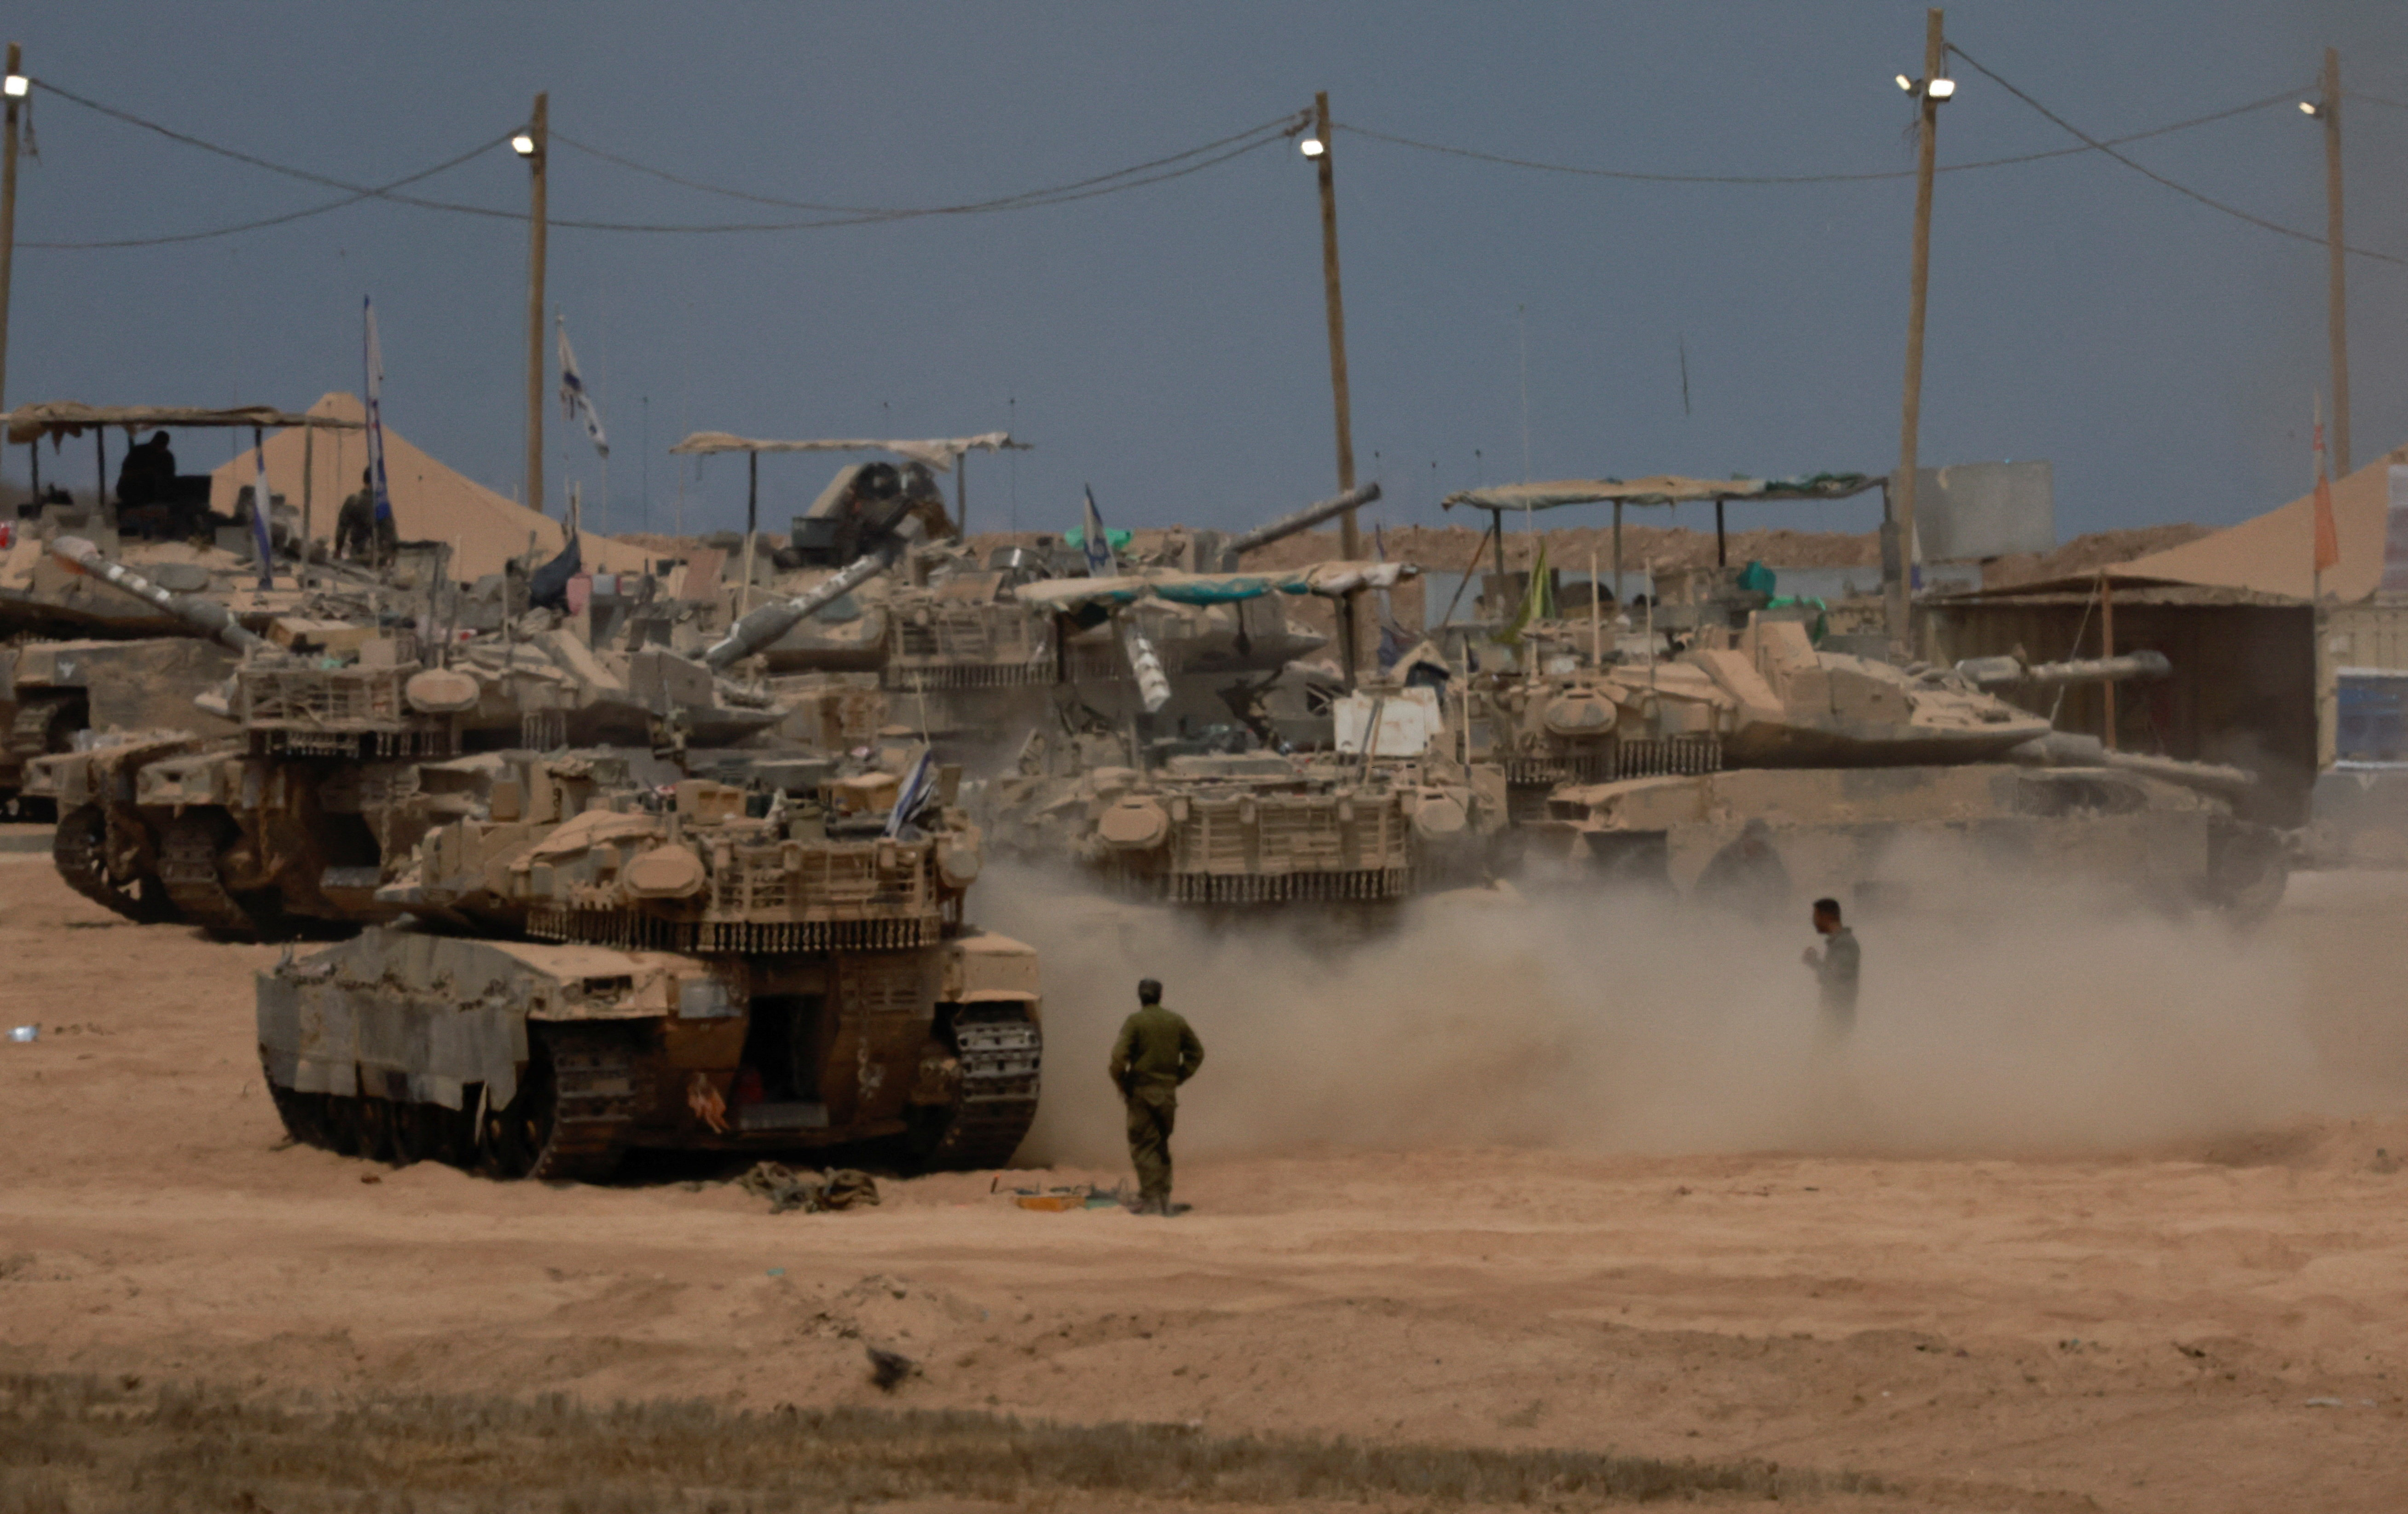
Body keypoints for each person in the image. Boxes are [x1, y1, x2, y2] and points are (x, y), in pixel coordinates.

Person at [1108, 977, 1204, 1216]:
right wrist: (1178, 1077)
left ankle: (1152, 1201)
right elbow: (1197, 1053)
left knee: (1143, 1146)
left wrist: (1121, 1083)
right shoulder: (1176, 1021)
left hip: (1141, 1092)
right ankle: (1163, 1198)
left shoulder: (1136, 1022)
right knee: (1160, 1144)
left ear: (1141, 997)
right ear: (1160, 996)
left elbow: (1119, 1058)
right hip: (1167, 1093)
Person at [1695, 818, 1792, 922]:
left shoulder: (1770, 856)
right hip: (1727, 915)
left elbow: (1783, 885)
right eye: (1755, 841)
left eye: (1762, 843)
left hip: (1759, 915)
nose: (1758, 847)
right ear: (1745, 837)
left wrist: (1777, 909)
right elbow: (1705, 885)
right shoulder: (1727, 856)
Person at [1801, 897, 1860, 1034]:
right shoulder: (1839, 943)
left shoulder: (1845, 944)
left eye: (1816, 917)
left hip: (1838, 1021)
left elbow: (1835, 979)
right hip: (1834, 1019)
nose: (1814, 922)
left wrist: (1814, 963)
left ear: (1826, 916)